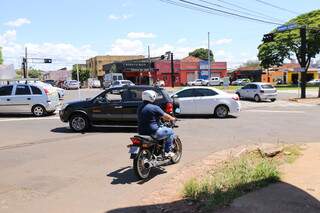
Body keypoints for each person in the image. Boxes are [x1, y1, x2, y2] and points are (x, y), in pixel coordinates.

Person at [137, 90, 176, 157]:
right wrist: (173, 118)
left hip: (141, 132)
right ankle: (167, 151)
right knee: (171, 132)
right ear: (152, 97)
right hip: (153, 132)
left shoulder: (139, 107)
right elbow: (165, 116)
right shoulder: (155, 107)